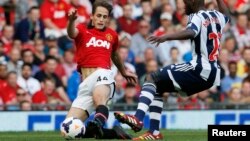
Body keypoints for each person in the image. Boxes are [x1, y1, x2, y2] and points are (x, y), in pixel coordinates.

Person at [114, 0, 230, 140]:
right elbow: (226, 14)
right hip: (212, 74)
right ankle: (154, 133)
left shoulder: (196, 16)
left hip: (199, 67)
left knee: (152, 78)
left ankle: (138, 118)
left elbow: (191, 32)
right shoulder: (216, 16)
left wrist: (166, 37)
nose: (183, 6)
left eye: (186, 2)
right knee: (158, 87)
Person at [64, 0, 137, 140]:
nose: (101, 19)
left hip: (103, 74)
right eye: (98, 16)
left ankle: (98, 122)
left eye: (104, 16)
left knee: (100, 99)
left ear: (108, 18)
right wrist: (71, 21)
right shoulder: (82, 30)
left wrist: (123, 71)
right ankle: (114, 133)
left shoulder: (112, 35)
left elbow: (114, 55)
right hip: (85, 83)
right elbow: (71, 33)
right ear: (92, 16)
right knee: (67, 129)